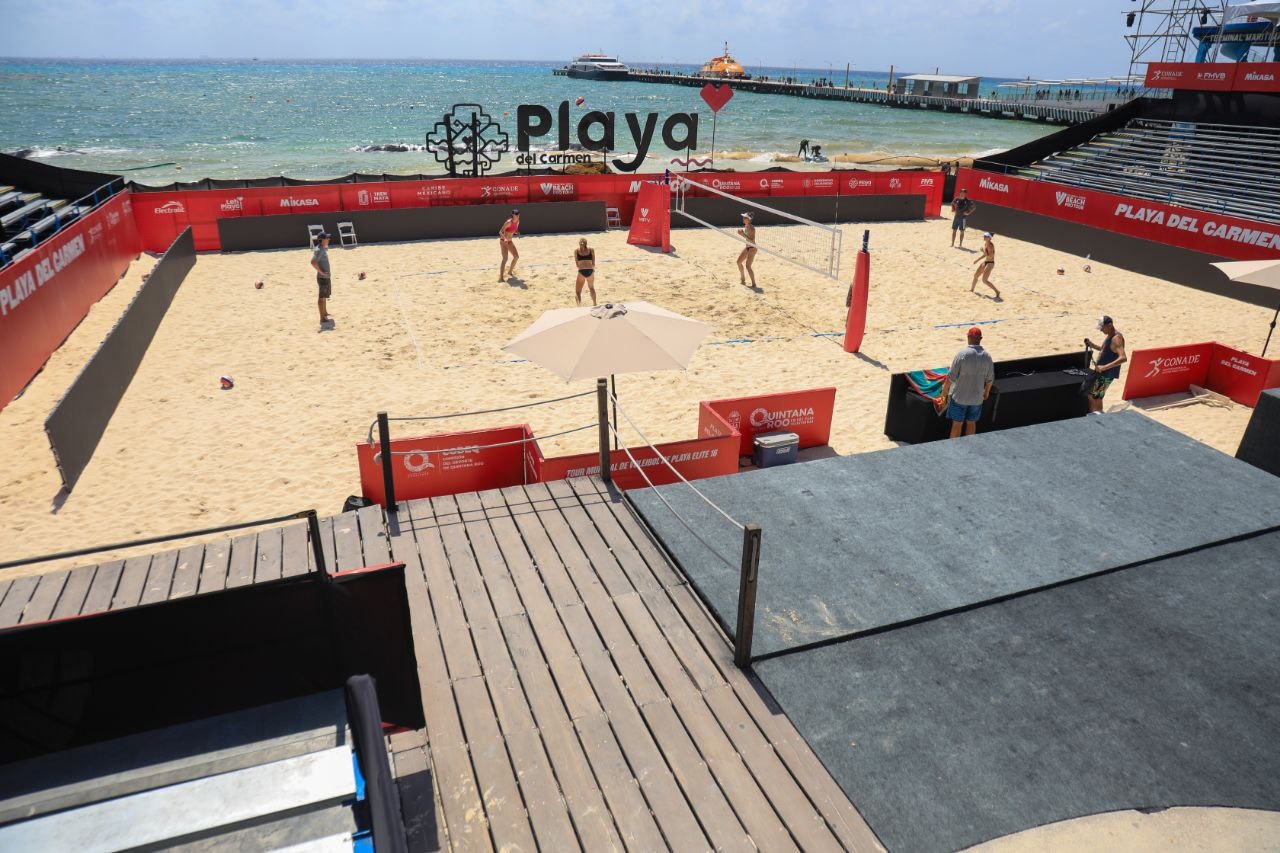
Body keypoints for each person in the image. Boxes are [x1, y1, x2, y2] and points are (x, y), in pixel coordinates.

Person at [940, 326, 995, 438]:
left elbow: (950, 377)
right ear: (980, 339)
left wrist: (944, 392)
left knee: (957, 424)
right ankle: (969, 446)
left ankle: (954, 447)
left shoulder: (962, 354)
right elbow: (990, 379)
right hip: (977, 398)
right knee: (971, 423)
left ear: (968, 337)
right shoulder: (987, 356)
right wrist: (986, 392)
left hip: (960, 397)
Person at [1084, 315, 1127, 413]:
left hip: (1107, 373)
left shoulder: (1116, 338)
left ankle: (1096, 415)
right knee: (1097, 396)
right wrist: (1092, 345)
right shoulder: (1110, 335)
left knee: (1093, 396)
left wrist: (1104, 367)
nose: (1101, 330)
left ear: (1110, 325)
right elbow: (1105, 350)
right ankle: (1100, 414)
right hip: (1104, 372)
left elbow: (1123, 358)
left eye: (1102, 328)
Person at [310, 231, 333, 328]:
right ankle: (322, 317)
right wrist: (322, 272)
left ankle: (325, 312)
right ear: (322, 240)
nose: (328, 239)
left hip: (325, 277)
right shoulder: (319, 250)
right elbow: (313, 262)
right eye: (327, 238)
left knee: (324, 296)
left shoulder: (322, 248)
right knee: (321, 297)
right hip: (322, 278)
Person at [970, 232, 1000, 299]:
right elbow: (986, 254)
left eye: (986, 236)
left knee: (984, 280)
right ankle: (972, 289)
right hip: (986, 261)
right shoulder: (986, 243)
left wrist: (983, 251)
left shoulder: (991, 246)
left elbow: (990, 256)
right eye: (984, 236)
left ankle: (997, 291)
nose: (984, 237)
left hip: (990, 263)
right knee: (976, 275)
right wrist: (977, 260)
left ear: (989, 238)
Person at [573, 238, 597, 306]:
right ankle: (595, 303)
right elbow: (593, 263)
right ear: (586, 243)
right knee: (591, 288)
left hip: (581, 271)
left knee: (578, 292)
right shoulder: (591, 250)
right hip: (590, 270)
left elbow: (577, 264)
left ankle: (579, 306)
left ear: (579, 243)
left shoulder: (576, 251)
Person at [498, 208, 520, 282]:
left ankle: (510, 271)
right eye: (516, 214)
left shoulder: (518, 221)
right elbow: (500, 232)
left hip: (510, 241)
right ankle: (501, 278)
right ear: (513, 215)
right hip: (503, 241)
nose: (517, 215)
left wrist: (517, 233)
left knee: (516, 257)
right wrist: (505, 239)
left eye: (518, 214)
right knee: (505, 259)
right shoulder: (508, 222)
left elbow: (514, 229)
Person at [736, 212, 757, 288]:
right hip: (747, 247)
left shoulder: (751, 228)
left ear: (749, 219)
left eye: (745, 218)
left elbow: (752, 241)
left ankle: (754, 284)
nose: (743, 219)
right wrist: (742, 234)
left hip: (752, 248)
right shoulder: (746, 226)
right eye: (743, 217)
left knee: (748, 266)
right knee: (738, 262)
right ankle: (743, 279)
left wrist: (742, 234)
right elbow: (747, 238)